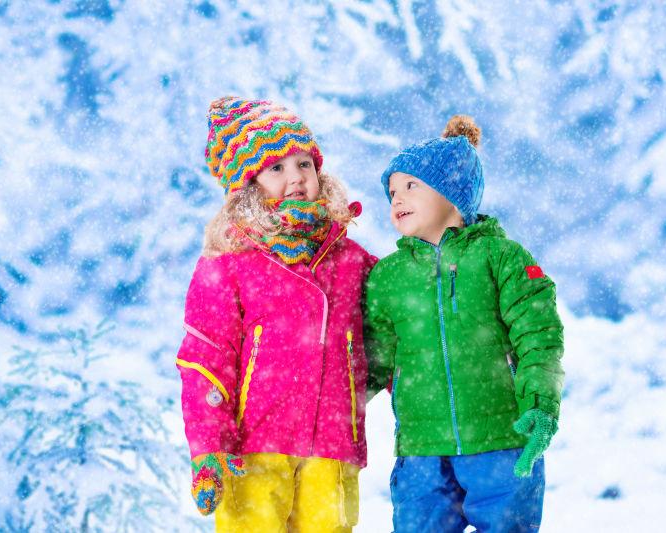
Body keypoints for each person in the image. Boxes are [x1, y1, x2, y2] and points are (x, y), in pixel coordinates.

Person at [176, 96, 377, 532]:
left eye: (304, 164)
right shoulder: (228, 261)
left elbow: (395, 324)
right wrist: (210, 444)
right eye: (277, 168)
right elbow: (205, 357)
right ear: (248, 185)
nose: (296, 178)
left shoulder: (348, 257)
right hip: (254, 449)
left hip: (331, 446)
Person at [364, 115, 565, 532]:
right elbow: (372, 360)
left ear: (453, 195)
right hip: (421, 450)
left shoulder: (501, 257)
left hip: (502, 443)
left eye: (411, 185)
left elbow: (538, 335)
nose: (396, 198)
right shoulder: (388, 276)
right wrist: (339, 405)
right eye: (392, 191)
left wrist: (541, 404)